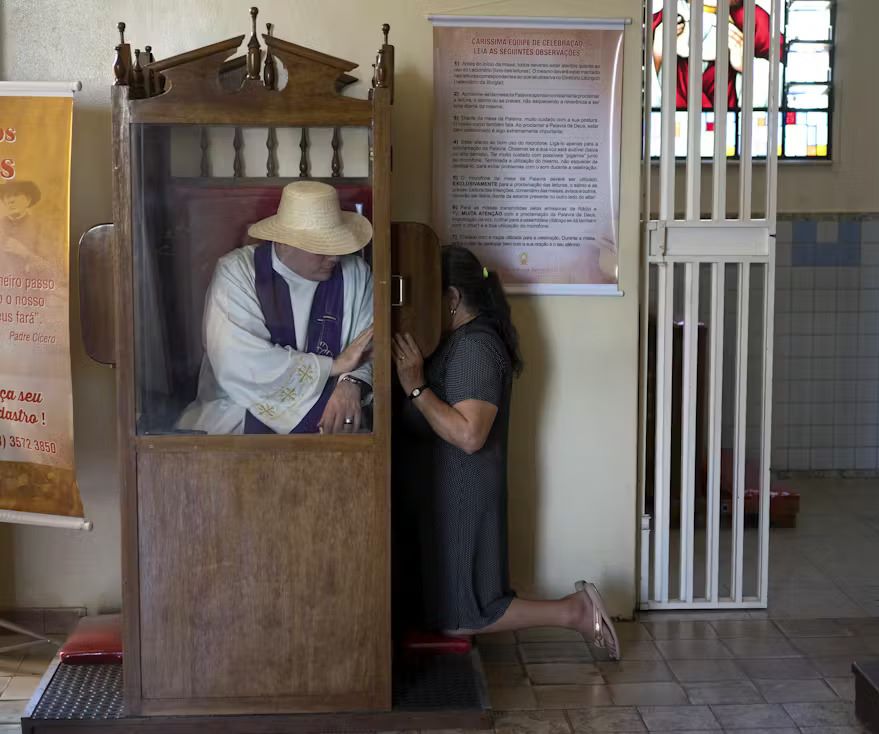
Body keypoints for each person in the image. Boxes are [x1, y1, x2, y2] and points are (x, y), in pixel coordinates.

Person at [392, 246, 620, 659]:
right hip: (448, 492)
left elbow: (469, 434)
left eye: (429, 296)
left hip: (464, 493)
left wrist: (415, 386)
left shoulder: (476, 347)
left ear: (453, 298)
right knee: (453, 607)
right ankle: (575, 610)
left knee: (466, 613)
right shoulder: (458, 341)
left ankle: (576, 611)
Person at [177, 181, 374, 435]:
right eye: (322, 248)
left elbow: (369, 347)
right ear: (285, 242)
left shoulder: (355, 273)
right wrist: (334, 366)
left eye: (336, 246)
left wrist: (350, 383)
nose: (334, 257)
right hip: (240, 408)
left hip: (336, 407)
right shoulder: (238, 273)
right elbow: (238, 361)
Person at [652, 0, 782, 111]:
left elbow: (785, 80)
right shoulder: (660, 21)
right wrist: (656, 55)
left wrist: (747, 66)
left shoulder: (755, 20)